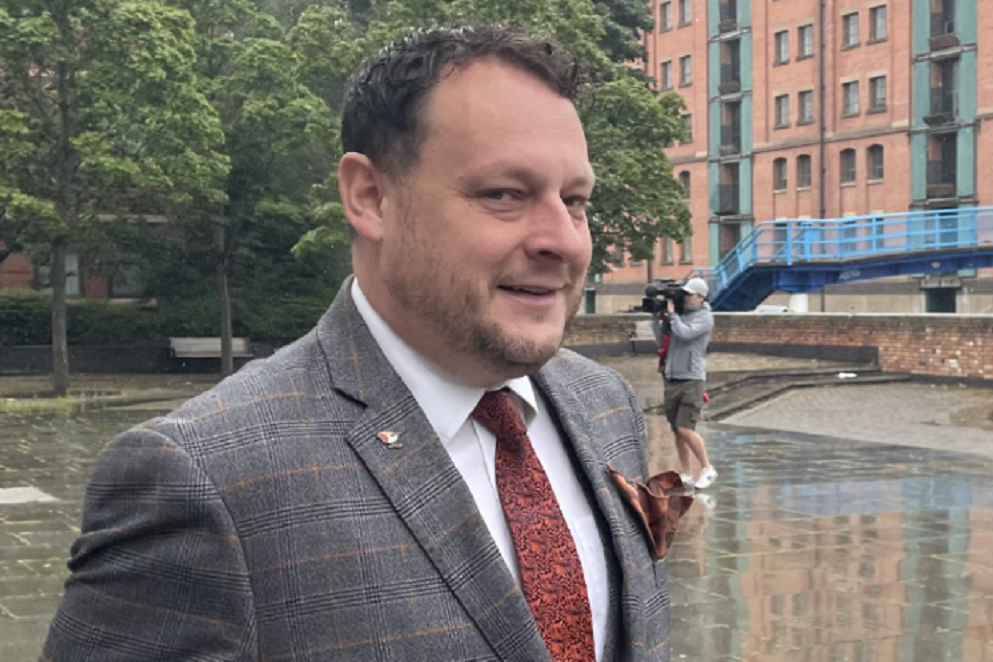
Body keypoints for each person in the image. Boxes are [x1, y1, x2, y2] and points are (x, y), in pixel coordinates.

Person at [42, 26, 673, 661]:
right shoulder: (201, 478)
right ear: (370, 197)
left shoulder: (604, 404)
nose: (562, 240)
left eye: (575, 201)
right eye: (503, 195)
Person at [652, 277, 717, 490]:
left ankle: (707, 468)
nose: (686, 298)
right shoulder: (679, 316)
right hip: (672, 376)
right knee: (677, 430)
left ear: (701, 297)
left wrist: (673, 316)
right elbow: (662, 339)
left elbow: (685, 333)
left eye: (689, 295)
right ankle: (686, 473)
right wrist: (660, 319)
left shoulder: (705, 318)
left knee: (686, 427)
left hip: (691, 379)